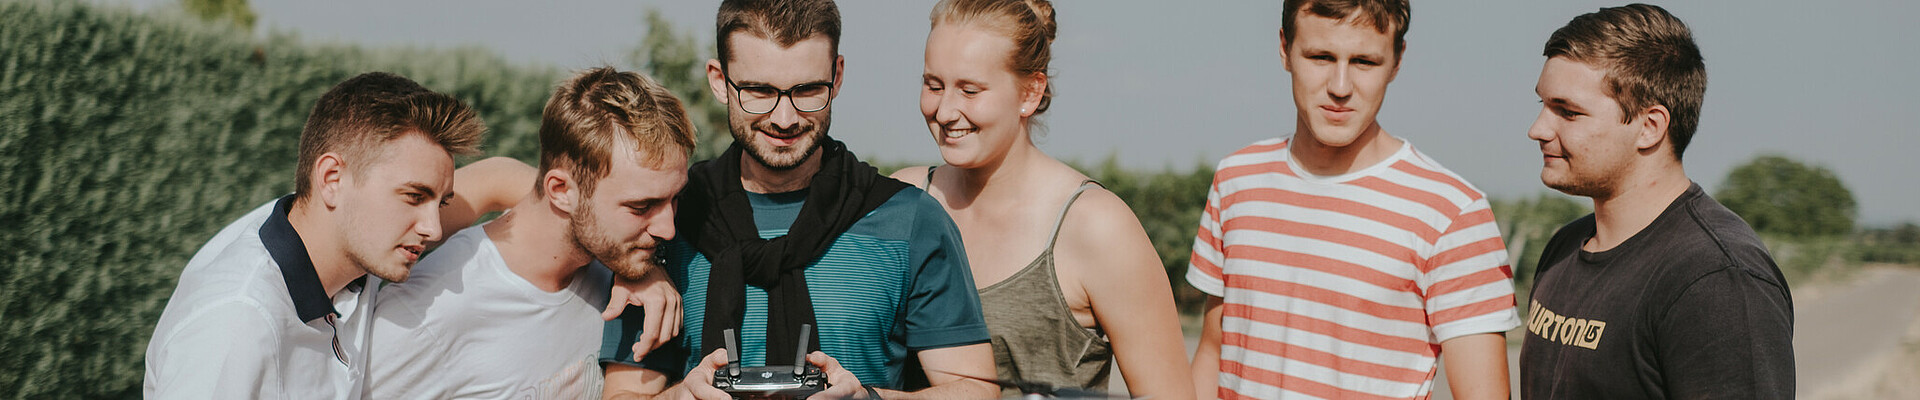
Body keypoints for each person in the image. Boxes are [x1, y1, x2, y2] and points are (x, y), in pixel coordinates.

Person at [600, 0, 998, 398]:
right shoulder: (667, 221)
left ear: (837, 76)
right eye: (758, 90)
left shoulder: (911, 221)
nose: (785, 118)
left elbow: (977, 392)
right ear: (719, 80)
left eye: (808, 90)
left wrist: (868, 399)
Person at [1185, 1, 1521, 399]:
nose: (1340, 86)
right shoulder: (1236, 179)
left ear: (1397, 62)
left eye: (1364, 62)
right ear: (1284, 49)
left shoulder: (1453, 212)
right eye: (1321, 57)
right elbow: (1213, 351)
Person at [886, 0, 1192, 398]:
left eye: (970, 90)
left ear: (1031, 91)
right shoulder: (903, 200)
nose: (945, 111)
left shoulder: (1096, 226)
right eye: (933, 85)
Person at [143, 72, 485, 398]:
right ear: (332, 179)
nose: (434, 229)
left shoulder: (348, 247)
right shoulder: (237, 321)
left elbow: (494, 180)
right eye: (414, 197)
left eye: (440, 204)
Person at [362, 67, 695, 399]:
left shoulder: (615, 272)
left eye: (674, 199)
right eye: (641, 207)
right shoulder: (422, 318)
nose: (667, 229)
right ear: (561, 190)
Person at [1518, 4, 1794, 399]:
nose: (1538, 129)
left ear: (1650, 127)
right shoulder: (1565, 247)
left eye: (1568, 112)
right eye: (1542, 105)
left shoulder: (1716, 280)